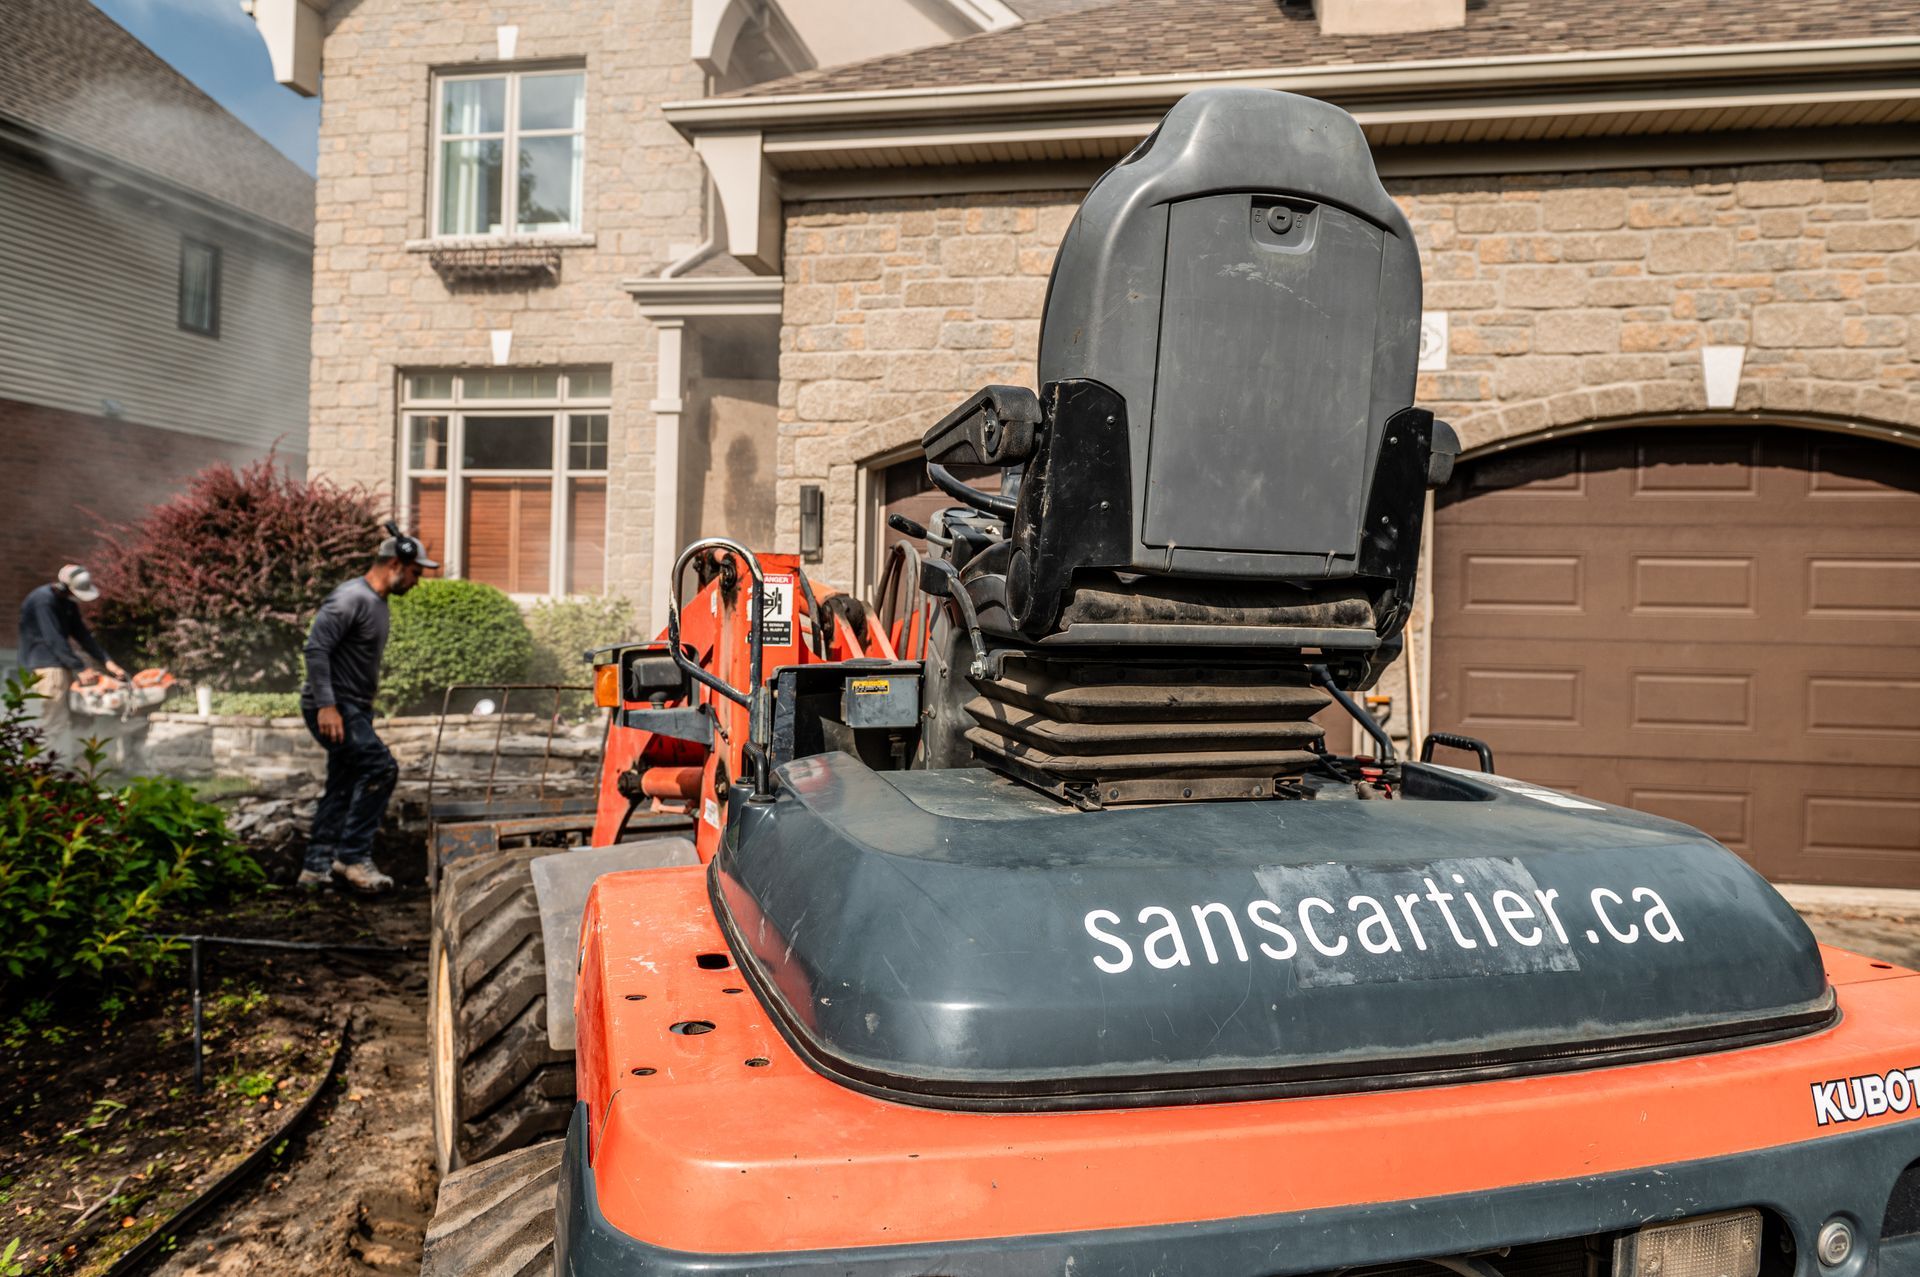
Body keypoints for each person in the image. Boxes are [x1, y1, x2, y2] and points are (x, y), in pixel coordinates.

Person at [298, 527, 435, 892]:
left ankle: (314, 869)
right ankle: (353, 857)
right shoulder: (351, 598)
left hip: (352, 707)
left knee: (342, 784)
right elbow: (316, 649)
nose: (417, 582)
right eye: (415, 573)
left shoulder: (377, 602)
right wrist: (327, 706)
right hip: (334, 706)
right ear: (395, 564)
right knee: (380, 767)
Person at [18, 565, 126, 755]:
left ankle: (74, 763)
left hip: (62, 665)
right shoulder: (43, 601)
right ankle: (43, 766)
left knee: (76, 717)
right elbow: (54, 639)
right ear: (64, 586)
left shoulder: (67, 604)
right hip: (47, 667)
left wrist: (107, 661)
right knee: (54, 720)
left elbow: (83, 636)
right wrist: (80, 668)